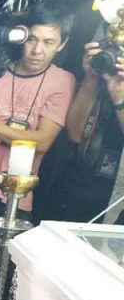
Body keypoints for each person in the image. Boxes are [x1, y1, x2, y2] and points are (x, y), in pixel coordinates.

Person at [0, 2, 76, 223]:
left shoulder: (62, 81)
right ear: (20, 35)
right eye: (31, 39)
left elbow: (42, 142)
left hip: (16, 197)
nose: (37, 50)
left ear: (62, 44)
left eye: (48, 42)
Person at [57, 40, 124, 223]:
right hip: (83, 186)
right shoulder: (106, 74)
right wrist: (92, 75)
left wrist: (120, 99)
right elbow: (75, 133)